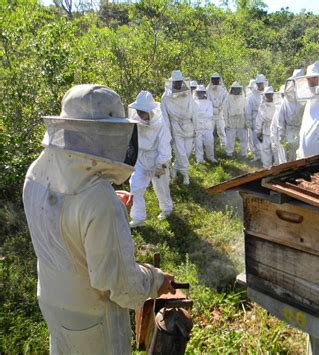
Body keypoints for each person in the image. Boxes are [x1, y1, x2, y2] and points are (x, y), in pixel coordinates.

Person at [22, 84, 175, 354]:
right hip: (92, 316)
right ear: (105, 132)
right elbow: (121, 285)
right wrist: (155, 280)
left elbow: (63, 223)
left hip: (50, 299)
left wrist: (109, 210)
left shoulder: (37, 169)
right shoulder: (99, 200)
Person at [128, 91, 173, 227]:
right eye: (139, 111)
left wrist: (161, 165)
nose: (140, 114)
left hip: (157, 159)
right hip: (141, 159)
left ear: (151, 110)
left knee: (161, 187)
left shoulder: (160, 124)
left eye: (143, 111)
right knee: (135, 186)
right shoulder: (135, 120)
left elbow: (164, 146)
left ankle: (166, 209)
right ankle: (138, 218)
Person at [161, 70, 194, 185]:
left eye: (180, 81)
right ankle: (186, 175)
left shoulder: (188, 93)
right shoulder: (165, 97)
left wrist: (197, 127)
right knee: (181, 153)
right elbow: (165, 117)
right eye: (176, 82)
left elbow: (194, 111)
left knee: (187, 152)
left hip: (189, 126)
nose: (179, 84)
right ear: (172, 82)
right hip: (175, 127)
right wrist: (167, 134)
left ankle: (175, 169)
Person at [277, 69, 306, 162]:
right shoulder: (286, 99)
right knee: (288, 159)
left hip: (301, 133)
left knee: (300, 158)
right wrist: (281, 134)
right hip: (288, 132)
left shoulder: (306, 97)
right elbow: (281, 118)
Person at [223, 81, 248, 158]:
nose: (236, 91)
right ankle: (229, 153)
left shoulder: (244, 99)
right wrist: (226, 123)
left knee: (244, 138)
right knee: (230, 138)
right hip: (231, 120)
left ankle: (244, 154)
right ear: (232, 90)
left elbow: (246, 110)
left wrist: (246, 122)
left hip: (241, 120)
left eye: (237, 89)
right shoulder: (227, 99)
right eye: (234, 89)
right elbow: (225, 112)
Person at [246, 74, 267, 161]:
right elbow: (248, 110)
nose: (259, 85)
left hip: (266, 119)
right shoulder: (252, 96)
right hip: (255, 119)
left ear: (264, 83)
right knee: (255, 137)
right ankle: (258, 155)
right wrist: (249, 121)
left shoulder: (267, 93)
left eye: (260, 83)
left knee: (266, 136)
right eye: (258, 83)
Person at [193, 85, 217, 163]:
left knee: (209, 142)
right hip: (197, 127)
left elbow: (209, 114)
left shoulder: (209, 102)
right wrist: (202, 113)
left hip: (207, 126)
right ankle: (199, 159)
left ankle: (210, 157)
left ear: (204, 93)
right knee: (198, 144)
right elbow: (193, 114)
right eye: (198, 92)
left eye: (201, 92)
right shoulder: (193, 102)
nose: (199, 94)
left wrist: (199, 114)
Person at [255, 86, 276, 168]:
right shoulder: (262, 106)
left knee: (276, 149)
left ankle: (278, 166)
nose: (268, 96)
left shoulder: (277, 104)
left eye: (270, 94)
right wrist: (258, 132)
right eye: (267, 94)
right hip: (266, 130)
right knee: (265, 149)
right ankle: (266, 167)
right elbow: (259, 120)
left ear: (273, 94)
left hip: (275, 130)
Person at [206, 72, 228, 149]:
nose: (215, 81)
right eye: (214, 79)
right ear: (211, 80)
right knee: (209, 130)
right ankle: (209, 146)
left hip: (220, 113)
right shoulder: (208, 89)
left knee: (221, 130)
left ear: (219, 80)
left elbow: (226, 99)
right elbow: (207, 100)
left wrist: (220, 108)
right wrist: (212, 109)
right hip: (211, 114)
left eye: (217, 79)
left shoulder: (223, 89)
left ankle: (224, 146)